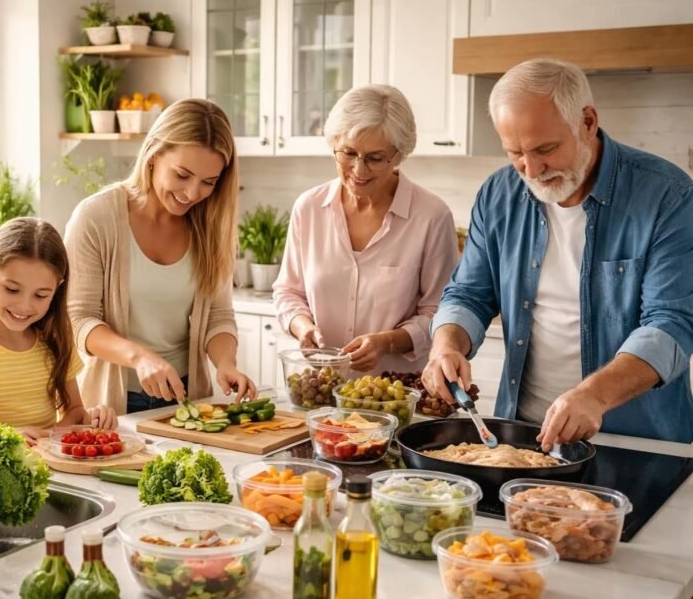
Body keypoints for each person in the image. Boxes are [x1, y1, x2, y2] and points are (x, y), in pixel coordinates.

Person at [422, 58, 693, 448]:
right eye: (514, 153)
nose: (531, 170)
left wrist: (593, 396)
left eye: (544, 148)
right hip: (522, 435)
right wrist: (446, 345)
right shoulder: (498, 194)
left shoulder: (667, 195)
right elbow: (468, 294)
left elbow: (671, 324)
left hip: (637, 441)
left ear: (587, 122)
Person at [65, 98, 257, 414]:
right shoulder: (97, 216)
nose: (193, 193)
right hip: (113, 406)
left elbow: (219, 316)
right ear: (154, 155)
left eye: (208, 182)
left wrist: (226, 363)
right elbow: (78, 319)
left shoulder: (210, 225)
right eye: (182, 175)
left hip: (188, 400)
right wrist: (139, 357)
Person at [273, 84, 459, 374]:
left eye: (374, 158)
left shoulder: (431, 217)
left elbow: (440, 313)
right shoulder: (308, 208)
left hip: (393, 398)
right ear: (333, 143)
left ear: (399, 155)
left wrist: (387, 342)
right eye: (348, 153)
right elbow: (288, 291)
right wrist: (302, 327)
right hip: (318, 389)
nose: (358, 170)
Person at [0, 217, 116, 441]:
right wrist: (10, 435)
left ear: (56, 290)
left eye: (41, 295)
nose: (24, 306)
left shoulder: (55, 338)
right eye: (12, 289)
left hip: (49, 465)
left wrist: (94, 417)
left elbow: (74, 412)